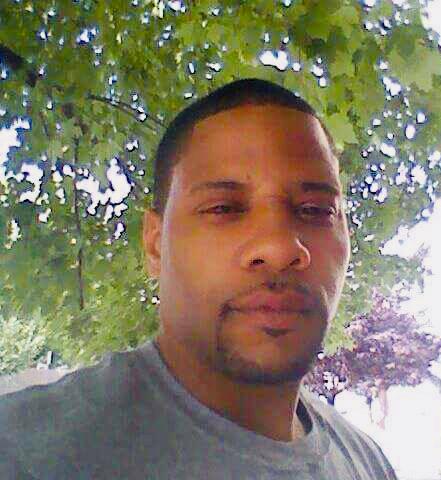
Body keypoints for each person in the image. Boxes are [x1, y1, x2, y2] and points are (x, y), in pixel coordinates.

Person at [0, 78, 398, 479]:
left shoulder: (369, 465)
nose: (280, 247)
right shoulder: (25, 454)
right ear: (155, 246)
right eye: (224, 208)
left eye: (315, 210)